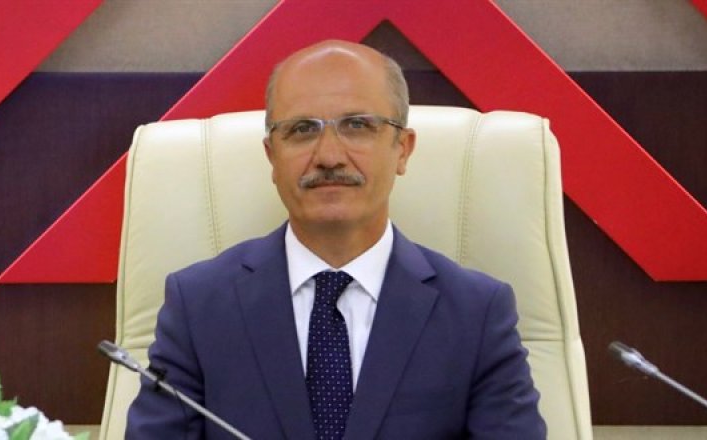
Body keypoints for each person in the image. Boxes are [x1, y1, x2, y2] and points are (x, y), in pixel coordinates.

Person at [126, 40, 546, 439]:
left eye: (358, 126)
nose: (329, 156)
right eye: (302, 130)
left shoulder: (477, 314)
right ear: (272, 156)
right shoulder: (198, 306)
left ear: (402, 149)